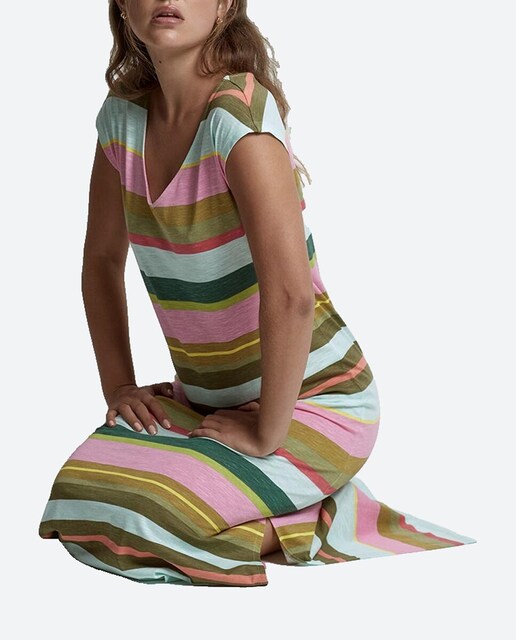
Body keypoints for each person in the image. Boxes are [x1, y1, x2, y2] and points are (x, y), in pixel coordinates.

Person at [38, 0, 476, 587]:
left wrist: (268, 431)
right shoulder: (121, 120)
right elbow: (100, 261)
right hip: (206, 402)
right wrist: (118, 386)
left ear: (225, 3)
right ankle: (264, 495)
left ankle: (317, 516)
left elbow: (292, 295)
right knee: (77, 499)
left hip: (311, 403)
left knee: (151, 515)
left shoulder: (237, 121)